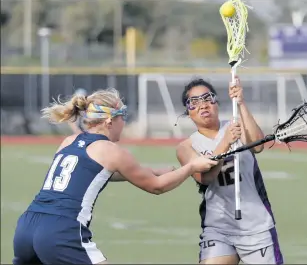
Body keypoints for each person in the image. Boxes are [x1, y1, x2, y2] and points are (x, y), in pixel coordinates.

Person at [12, 88, 218, 265]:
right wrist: (192, 166)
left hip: (26, 228)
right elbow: (157, 187)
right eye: (123, 118)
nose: (124, 124)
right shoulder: (111, 150)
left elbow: (96, 174)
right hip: (61, 230)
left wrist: (153, 170)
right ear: (111, 120)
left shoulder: (68, 141)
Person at [176, 77, 284, 265]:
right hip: (218, 228)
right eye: (194, 102)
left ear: (216, 102)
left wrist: (240, 103)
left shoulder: (236, 126)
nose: (202, 105)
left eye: (207, 98)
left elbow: (257, 145)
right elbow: (206, 178)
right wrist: (225, 142)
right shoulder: (186, 147)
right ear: (188, 112)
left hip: (256, 225)